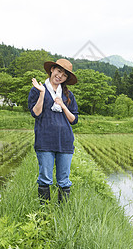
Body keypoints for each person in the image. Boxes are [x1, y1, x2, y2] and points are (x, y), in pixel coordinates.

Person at [28, 58, 79, 204]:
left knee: (64, 180)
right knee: (45, 178)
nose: (60, 76)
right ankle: (44, 212)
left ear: (66, 79)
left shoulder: (68, 95)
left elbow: (74, 120)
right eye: (58, 71)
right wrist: (42, 94)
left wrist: (63, 105)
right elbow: (35, 113)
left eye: (64, 75)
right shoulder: (37, 89)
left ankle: (63, 212)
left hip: (65, 141)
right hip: (45, 141)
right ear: (52, 70)